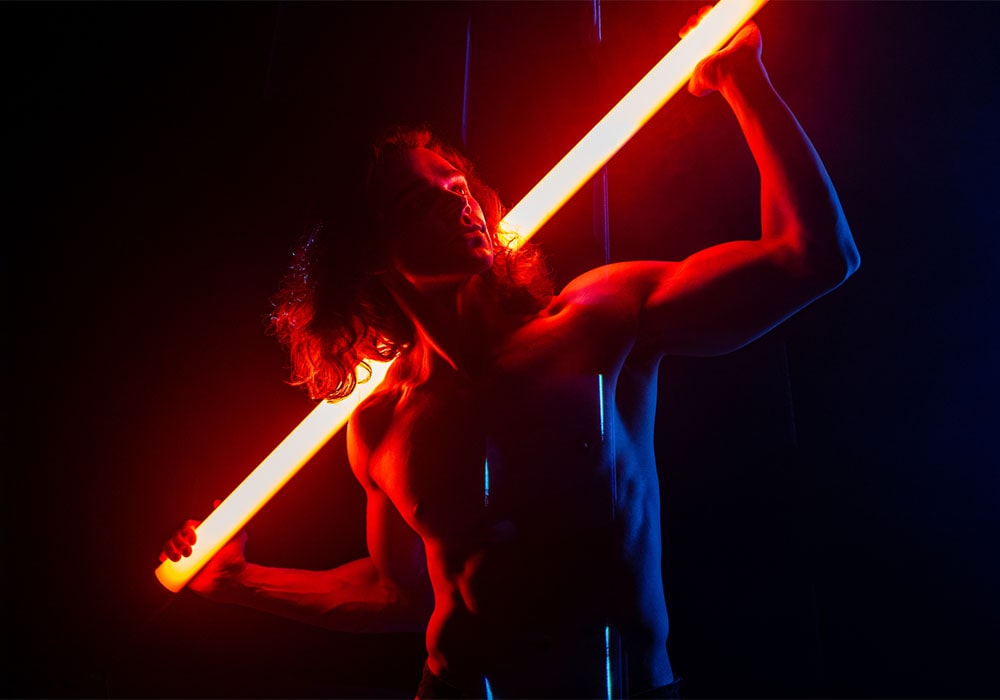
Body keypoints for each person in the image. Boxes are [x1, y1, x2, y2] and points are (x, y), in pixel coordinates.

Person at [160, 11, 859, 699]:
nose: (455, 199)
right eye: (418, 197)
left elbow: (814, 257)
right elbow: (398, 593)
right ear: (372, 252)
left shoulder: (596, 319)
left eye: (456, 182)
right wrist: (239, 583)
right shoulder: (379, 421)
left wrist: (744, 79)